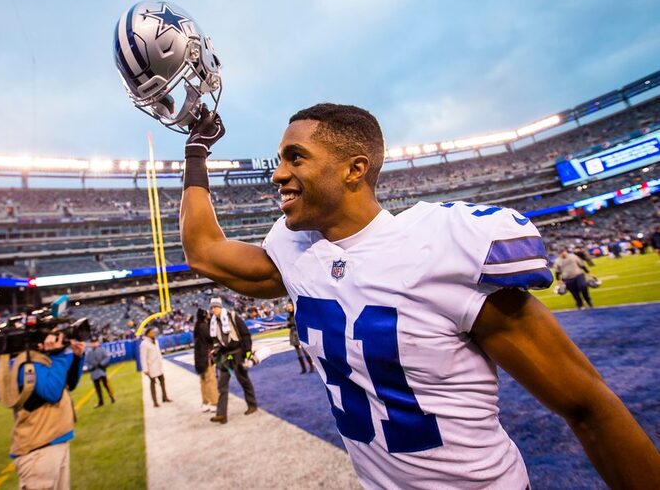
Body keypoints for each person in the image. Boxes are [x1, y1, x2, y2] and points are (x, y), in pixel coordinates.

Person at [178, 104, 660, 488]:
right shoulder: (295, 249)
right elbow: (205, 252)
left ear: (355, 169)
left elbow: (588, 406)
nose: (278, 174)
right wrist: (197, 152)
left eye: (295, 157)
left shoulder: (440, 244)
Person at [0, 330, 85, 490]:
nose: (59, 339)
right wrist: (58, 355)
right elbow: (52, 393)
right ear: (40, 343)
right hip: (38, 452)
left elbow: (68, 384)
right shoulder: (28, 365)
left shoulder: (43, 361)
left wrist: (77, 357)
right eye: (54, 336)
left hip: (52, 443)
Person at [208, 297, 258, 424]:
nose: (213, 310)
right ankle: (221, 415)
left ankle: (252, 405)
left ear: (220, 307)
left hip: (238, 353)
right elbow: (217, 341)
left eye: (215, 307)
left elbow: (245, 333)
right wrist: (216, 350)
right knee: (222, 385)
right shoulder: (213, 323)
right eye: (212, 307)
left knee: (243, 380)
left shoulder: (232, 316)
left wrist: (247, 350)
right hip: (226, 356)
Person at [193, 308, 218, 412]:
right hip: (206, 356)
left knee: (203, 381)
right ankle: (214, 402)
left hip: (198, 357)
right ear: (204, 316)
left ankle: (205, 402)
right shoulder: (204, 326)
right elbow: (212, 337)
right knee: (211, 380)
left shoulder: (197, 327)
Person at [140, 328, 171, 407]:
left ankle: (165, 397)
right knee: (153, 384)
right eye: (151, 332)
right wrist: (145, 369)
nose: (153, 333)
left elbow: (158, 353)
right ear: (147, 334)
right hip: (151, 367)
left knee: (162, 381)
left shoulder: (155, 341)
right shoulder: (144, 344)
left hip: (158, 365)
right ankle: (155, 402)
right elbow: (143, 357)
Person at [85, 339, 115, 407]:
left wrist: (101, 364)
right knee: (97, 388)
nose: (94, 344)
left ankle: (112, 397)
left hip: (101, 371)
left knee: (106, 385)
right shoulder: (88, 352)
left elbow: (107, 357)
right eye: (92, 342)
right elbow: (86, 362)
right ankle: (100, 401)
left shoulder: (101, 349)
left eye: (95, 342)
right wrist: (91, 367)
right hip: (94, 372)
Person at [285, 302, 314, 374]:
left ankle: (311, 366)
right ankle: (303, 368)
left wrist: (292, 324)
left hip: (299, 332)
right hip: (293, 333)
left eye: (290, 306)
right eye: (288, 307)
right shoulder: (289, 315)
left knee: (305, 349)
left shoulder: (297, 313)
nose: (288, 308)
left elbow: (301, 322)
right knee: (298, 351)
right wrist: (289, 325)